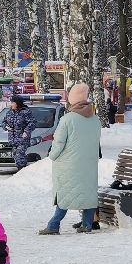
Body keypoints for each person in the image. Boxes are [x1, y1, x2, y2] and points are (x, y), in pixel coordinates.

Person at [40, 83, 102, 234]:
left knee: (65, 192)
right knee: (87, 192)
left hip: (69, 165)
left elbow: (59, 142)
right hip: (89, 164)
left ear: (72, 100)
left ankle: (54, 225)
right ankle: (87, 224)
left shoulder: (67, 119)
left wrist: (52, 155)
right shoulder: (95, 120)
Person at [0, 94, 38, 169]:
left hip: (22, 139)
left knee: (20, 156)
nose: (11, 104)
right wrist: (5, 126)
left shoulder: (25, 112)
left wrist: (26, 132)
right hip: (12, 139)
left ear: (17, 103)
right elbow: (3, 122)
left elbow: (32, 123)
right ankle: (22, 173)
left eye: (13, 102)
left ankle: (21, 173)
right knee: (16, 156)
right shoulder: (9, 112)